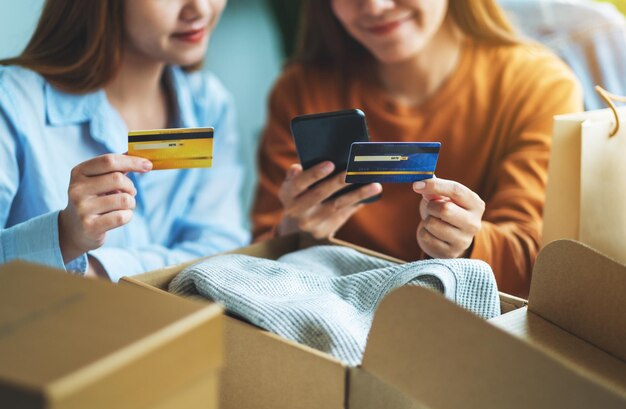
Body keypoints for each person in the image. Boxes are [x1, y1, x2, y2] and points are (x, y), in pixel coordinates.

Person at [252, 0, 583, 297]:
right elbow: (258, 253)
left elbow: (535, 261)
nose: (375, 6)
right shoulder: (297, 91)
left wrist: (467, 245)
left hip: (464, 326)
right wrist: (295, 230)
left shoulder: (539, 86)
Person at [0, 0, 250, 281]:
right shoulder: (10, 105)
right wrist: (64, 237)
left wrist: (93, 270)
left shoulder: (209, 103)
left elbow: (221, 252)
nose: (201, 9)